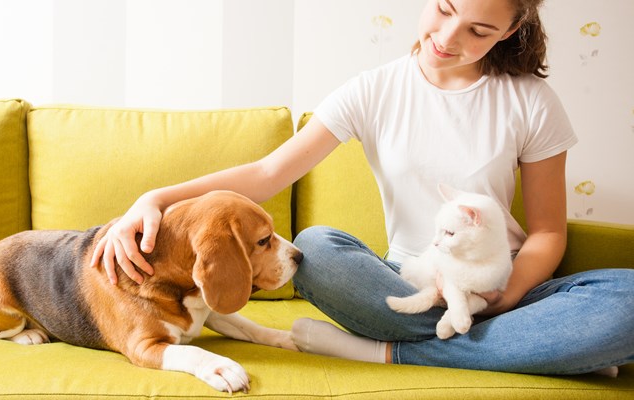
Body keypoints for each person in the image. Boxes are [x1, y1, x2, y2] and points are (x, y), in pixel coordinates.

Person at [90, 0, 633, 376]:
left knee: (627, 301)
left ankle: (382, 354)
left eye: (479, 30)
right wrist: (156, 199)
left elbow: (546, 232)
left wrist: (501, 298)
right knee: (318, 249)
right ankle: (544, 350)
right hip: (402, 285)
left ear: (510, 32)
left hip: (505, 288)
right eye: (444, 10)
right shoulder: (375, 89)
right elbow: (266, 175)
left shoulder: (531, 102)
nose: (447, 38)